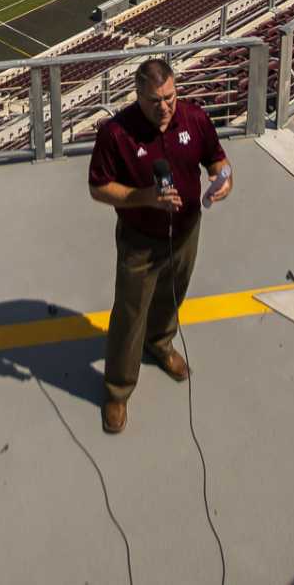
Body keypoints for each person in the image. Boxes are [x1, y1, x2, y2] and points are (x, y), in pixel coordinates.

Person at [87, 57, 233, 434]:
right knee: (129, 313)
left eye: (170, 97)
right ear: (137, 95)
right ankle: (118, 389)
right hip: (139, 240)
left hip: (186, 232)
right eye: (155, 100)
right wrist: (145, 197)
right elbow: (98, 188)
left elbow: (217, 161)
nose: (165, 107)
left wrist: (224, 181)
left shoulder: (195, 118)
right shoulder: (116, 133)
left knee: (172, 293)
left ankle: (160, 342)